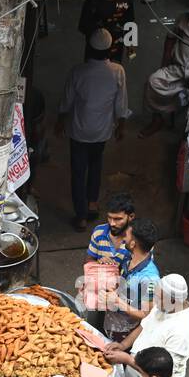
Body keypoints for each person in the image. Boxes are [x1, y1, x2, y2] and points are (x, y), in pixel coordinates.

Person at [57, 30, 128, 231]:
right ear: (109, 49)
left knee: (78, 171)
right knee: (96, 164)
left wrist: (60, 121)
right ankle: (92, 202)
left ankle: (81, 216)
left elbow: (67, 102)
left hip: (79, 131)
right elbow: (121, 104)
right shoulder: (117, 71)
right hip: (101, 132)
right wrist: (121, 126)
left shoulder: (78, 71)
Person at [103, 273, 189, 377]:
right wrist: (123, 345)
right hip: (136, 375)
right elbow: (143, 327)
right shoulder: (165, 306)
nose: (155, 302)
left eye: (159, 298)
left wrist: (127, 359)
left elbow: (162, 372)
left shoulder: (181, 331)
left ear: (172, 299)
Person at [101, 217, 159, 343]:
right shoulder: (129, 258)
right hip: (110, 323)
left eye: (126, 235)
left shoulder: (149, 279)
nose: (123, 239)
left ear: (133, 244)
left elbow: (146, 314)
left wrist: (117, 302)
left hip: (124, 335)